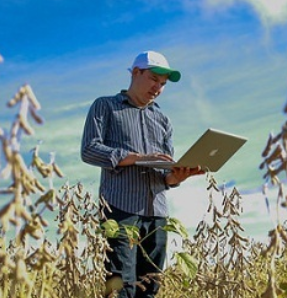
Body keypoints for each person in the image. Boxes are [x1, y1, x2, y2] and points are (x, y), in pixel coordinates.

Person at [81, 50, 204, 298]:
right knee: (120, 285)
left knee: (151, 286)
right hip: (120, 210)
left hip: (157, 214)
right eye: (153, 80)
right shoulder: (105, 106)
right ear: (136, 73)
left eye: (163, 84)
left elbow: (164, 176)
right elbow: (89, 150)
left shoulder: (163, 120)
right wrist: (137, 158)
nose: (158, 88)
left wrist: (177, 177)